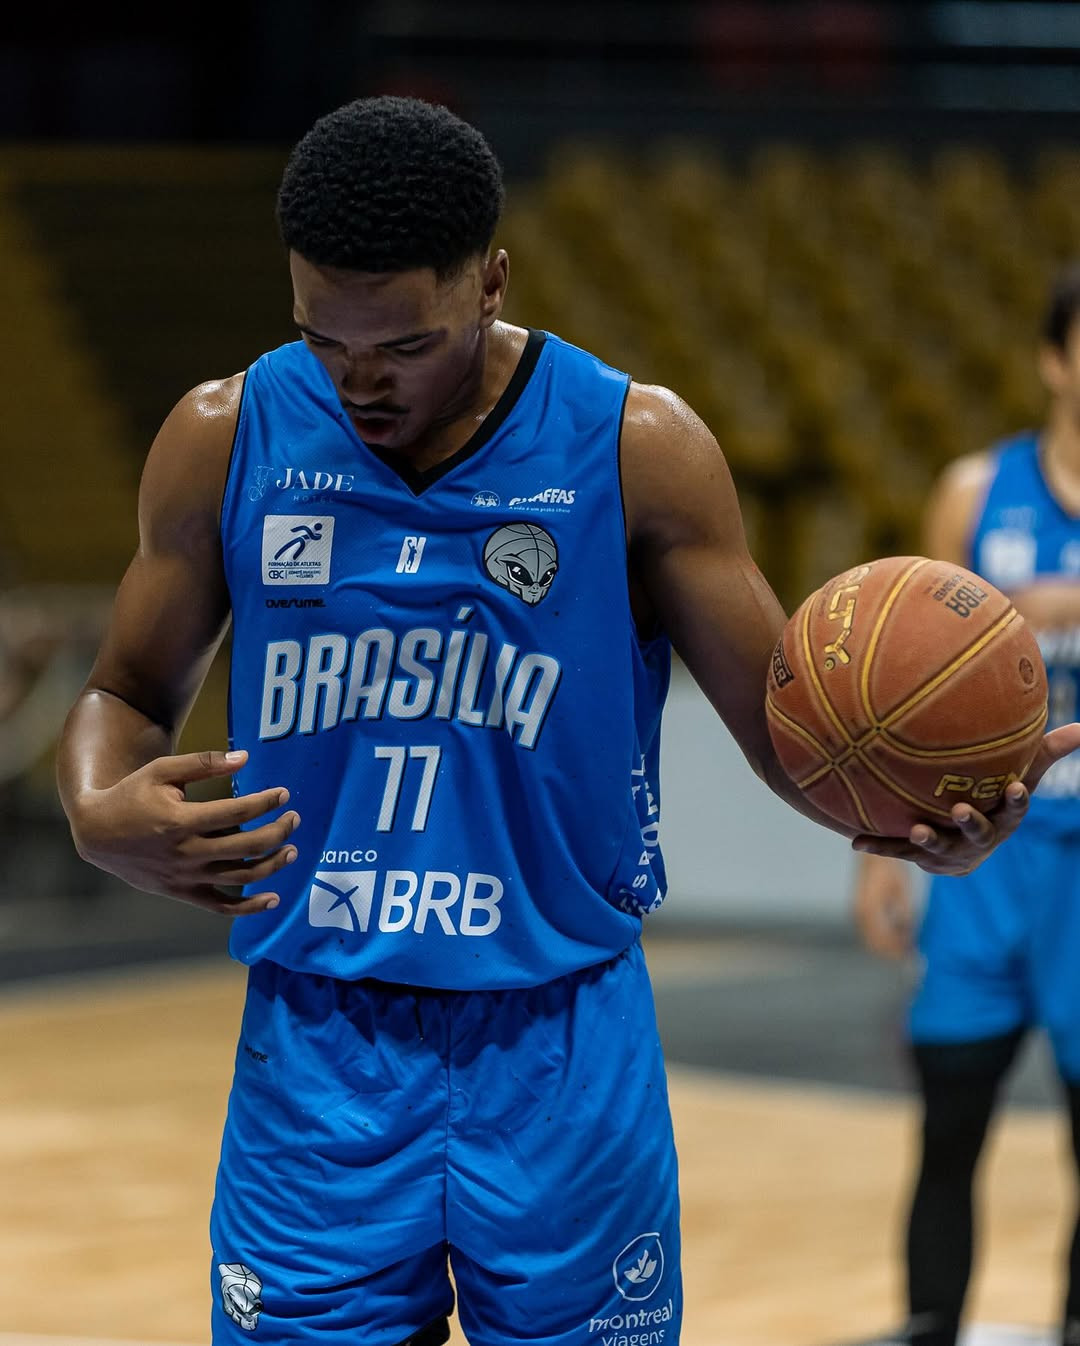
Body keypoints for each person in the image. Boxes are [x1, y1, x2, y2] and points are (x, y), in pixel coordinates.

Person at [55, 96, 1077, 1346]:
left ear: (491, 282)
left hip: (561, 1044)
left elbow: (798, 731)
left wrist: (927, 825)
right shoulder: (224, 436)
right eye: (324, 337)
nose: (360, 380)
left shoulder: (636, 447)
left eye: (404, 344)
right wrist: (97, 807)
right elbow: (121, 694)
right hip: (319, 1043)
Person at [854, 263, 1080, 1346]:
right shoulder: (974, 492)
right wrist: (874, 855)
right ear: (1052, 359)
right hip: (982, 856)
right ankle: (928, 1325)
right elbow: (898, 692)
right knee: (949, 1121)